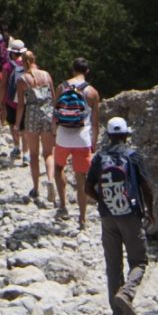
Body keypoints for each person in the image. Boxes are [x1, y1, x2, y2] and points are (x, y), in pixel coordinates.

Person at [86, 116, 152, 315]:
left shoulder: (99, 157)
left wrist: (103, 202)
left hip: (108, 217)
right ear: (125, 135)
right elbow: (146, 186)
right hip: (130, 215)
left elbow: (88, 189)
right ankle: (127, 292)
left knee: (113, 267)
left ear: (108, 136)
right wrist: (150, 210)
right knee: (139, 262)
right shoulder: (133, 156)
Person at [51, 62, 99, 226]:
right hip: (82, 138)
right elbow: (95, 122)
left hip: (63, 137)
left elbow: (55, 113)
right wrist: (94, 142)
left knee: (58, 168)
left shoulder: (62, 87)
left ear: (72, 70)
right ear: (87, 71)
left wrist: (53, 132)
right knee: (81, 177)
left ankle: (63, 206)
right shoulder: (92, 92)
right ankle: (82, 217)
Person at [14, 50, 55, 204]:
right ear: (34, 59)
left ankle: (36, 188)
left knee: (33, 154)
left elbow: (20, 105)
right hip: (47, 113)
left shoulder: (22, 79)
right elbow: (53, 97)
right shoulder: (46, 75)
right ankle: (50, 180)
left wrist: (18, 124)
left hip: (32, 114)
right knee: (48, 153)